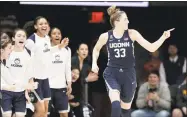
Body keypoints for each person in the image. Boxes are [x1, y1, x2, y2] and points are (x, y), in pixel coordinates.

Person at [91, 5, 174, 117]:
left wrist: (163, 37)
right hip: (112, 73)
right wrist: (94, 63)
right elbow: (96, 49)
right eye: (125, 19)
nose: (128, 21)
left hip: (128, 74)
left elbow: (151, 48)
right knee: (115, 105)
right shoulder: (105, 36)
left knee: (125, 111)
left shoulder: (132, 33)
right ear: (117, 21)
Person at [25, 16, 69, 117]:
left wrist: (60, 46)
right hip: (35, 80)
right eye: (41, 24)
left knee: (45, 113)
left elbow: (47, 52)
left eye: (45, 23)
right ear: (36, 26)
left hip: (45, 79)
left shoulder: (46, 38)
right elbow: (28, 59)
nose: (44, 26)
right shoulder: (31, 41)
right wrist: (29, 78)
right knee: (40, 111)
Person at [0, 37, 35, 117]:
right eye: (9, 48)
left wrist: (26, 87)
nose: (11, 50)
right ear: (2, 50)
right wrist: (6, 87)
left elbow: (11, 81)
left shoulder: (3, 65)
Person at [48, 27, 72, 117]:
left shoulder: (67, 50)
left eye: (59, 33)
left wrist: (69, 83)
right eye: (54, 33)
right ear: (50, 37)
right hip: (48, 86)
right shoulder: (47, 49)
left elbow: (68, 68)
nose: (57, 35)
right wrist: (60, 46)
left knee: (64, 114)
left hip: (61, 86)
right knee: (45, 113)